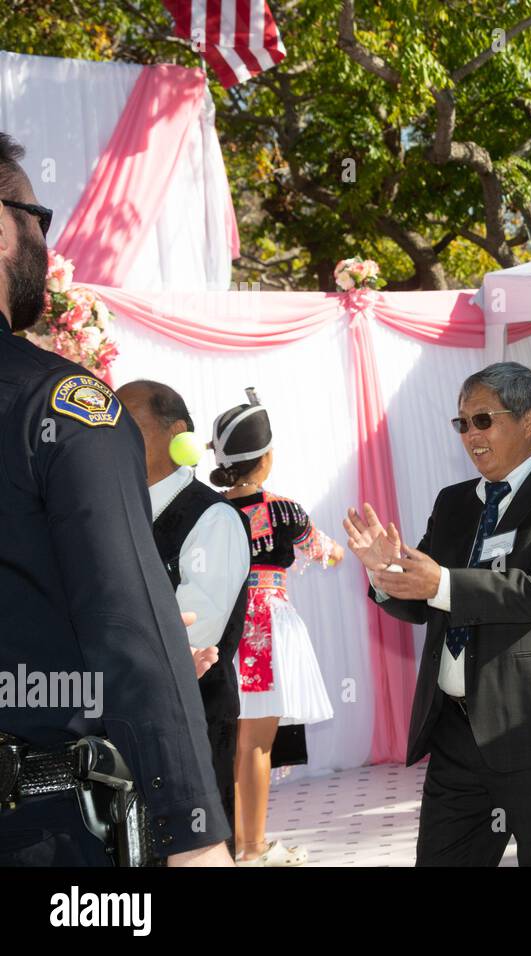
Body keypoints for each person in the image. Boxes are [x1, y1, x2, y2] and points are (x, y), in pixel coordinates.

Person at [0, 132, 231, 865]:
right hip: (43, 834)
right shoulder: (57, 404)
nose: (44, 236)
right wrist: (194, 834)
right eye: (37, 215)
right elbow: (126, 630)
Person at [346, 361, 531, 866]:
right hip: (456, 733)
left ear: (528, 420)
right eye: (462, 423)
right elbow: (424, 599)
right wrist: (386, 576)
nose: (470, 434)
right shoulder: (453, 503)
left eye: (483, 420)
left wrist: (443, 582)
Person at [210, 389, 342, 866]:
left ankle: (232, 842)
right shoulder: (284, 509)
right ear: (264, 460)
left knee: (229, 740)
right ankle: (252, 847)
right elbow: (324, 550)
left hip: (217, 630)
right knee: (257, 743)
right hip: (264, 627)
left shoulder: (206, 508)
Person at [119, 380, 251, 853]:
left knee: (195, 848)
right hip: (125, 716)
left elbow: (197, 628)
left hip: (192, 714)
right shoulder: (118, 514)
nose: (117, 436)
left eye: (130, 424)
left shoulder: (211, 517)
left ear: (177, 433)